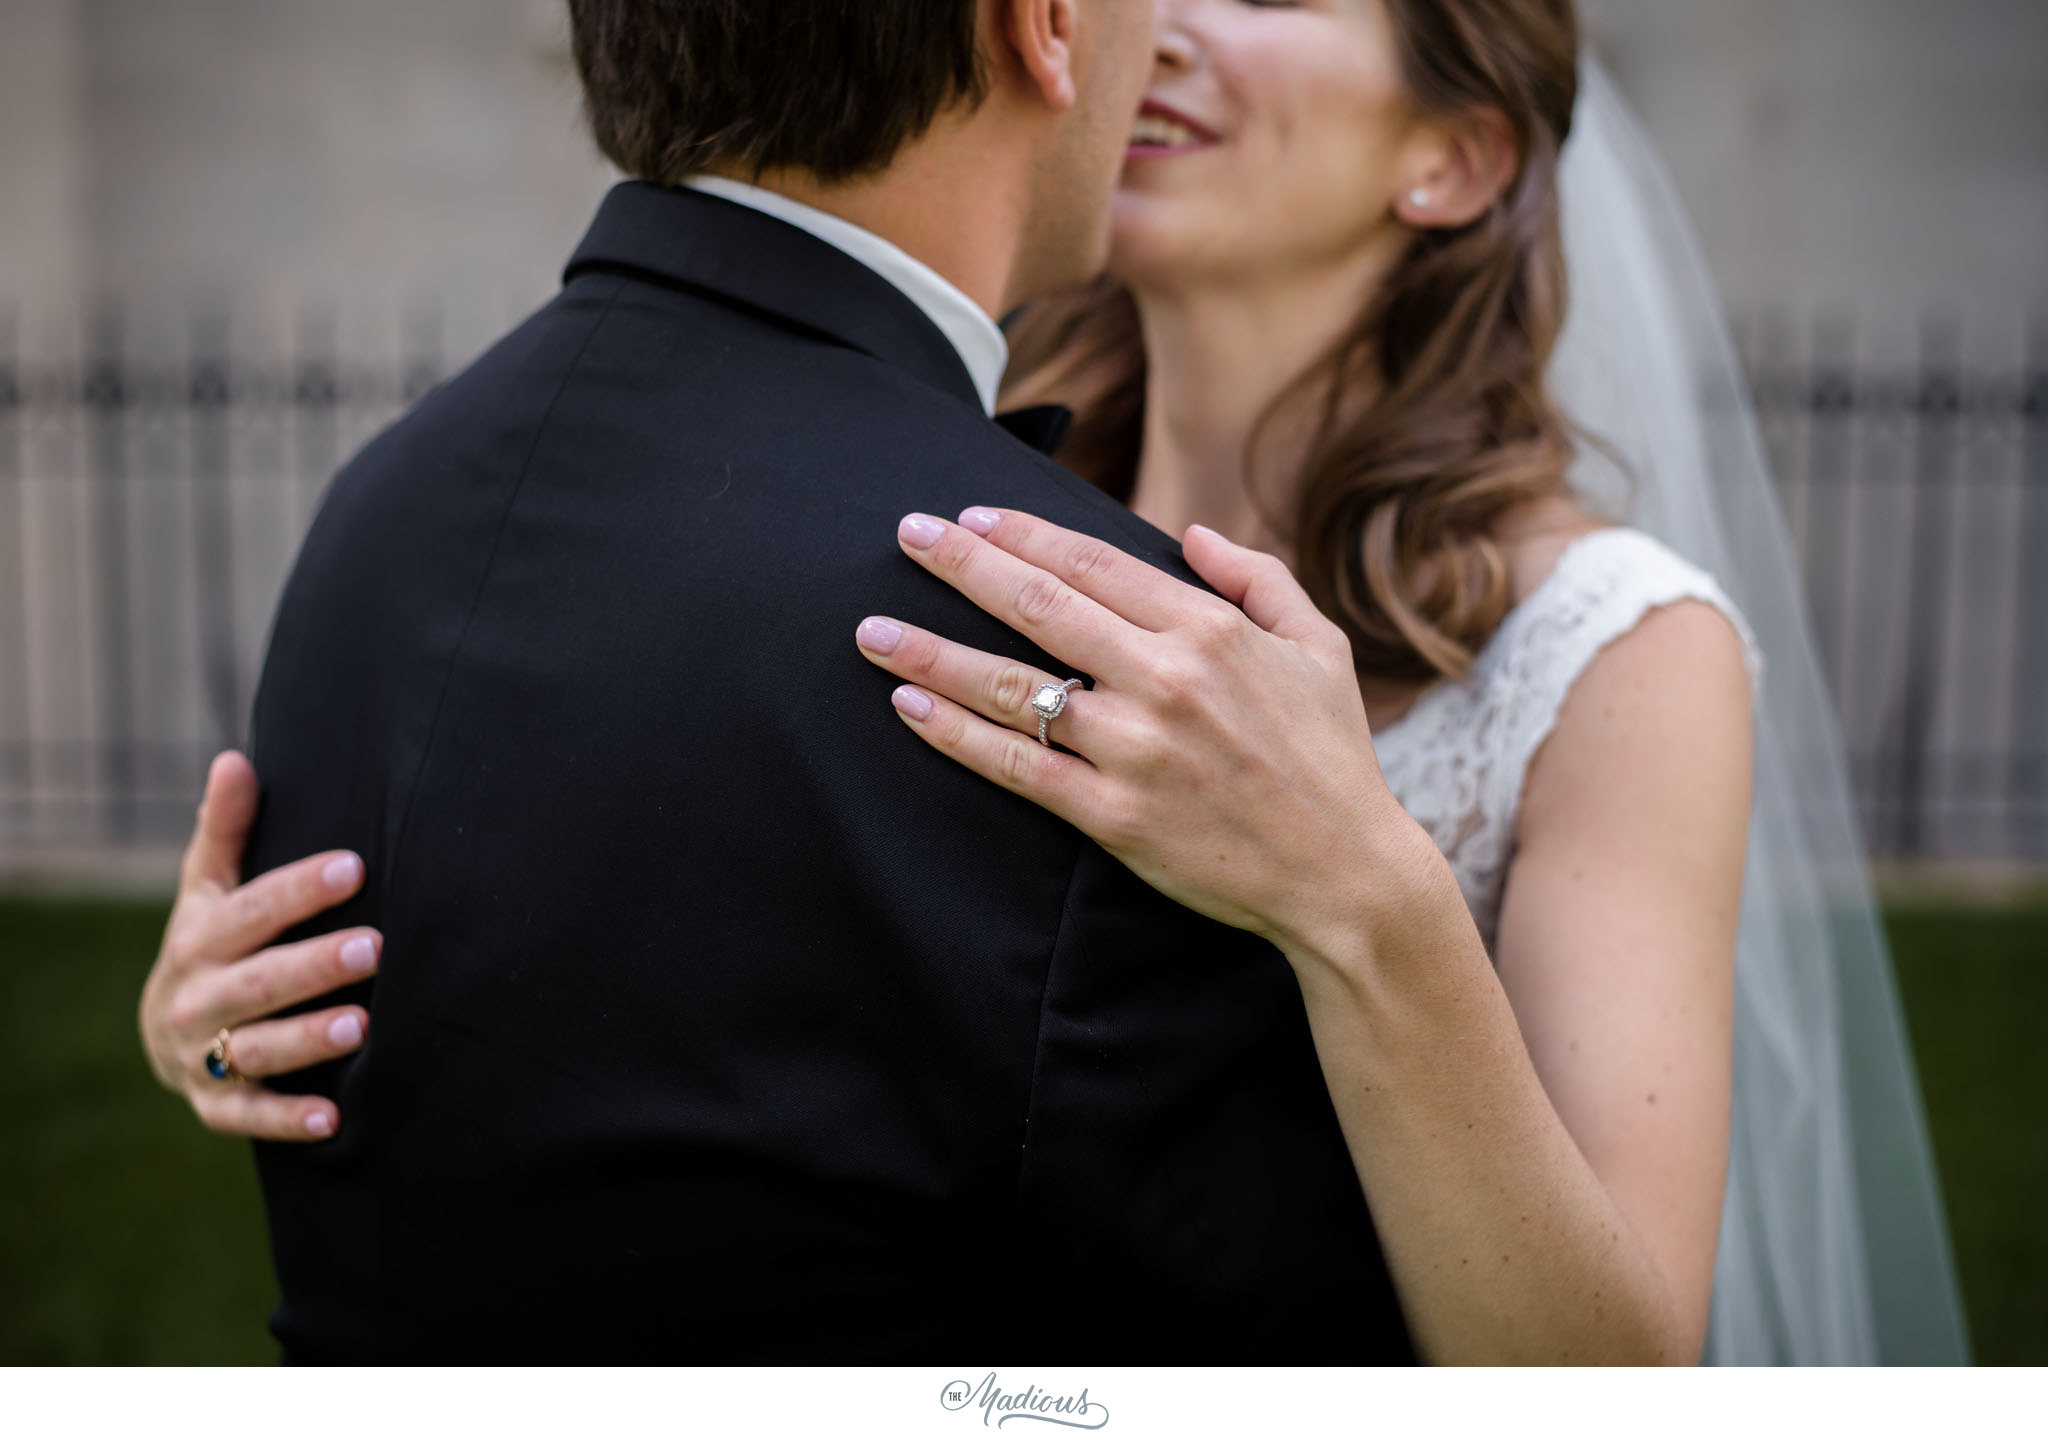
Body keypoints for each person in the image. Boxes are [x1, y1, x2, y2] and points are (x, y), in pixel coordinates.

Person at [138, 0, 1969, 1365]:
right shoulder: (953, 523)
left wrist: (1368, 895)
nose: (1159, 20)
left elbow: (1620, 1369)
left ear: (1458, 154)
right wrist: (296, 1002)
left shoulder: (1614, 650)